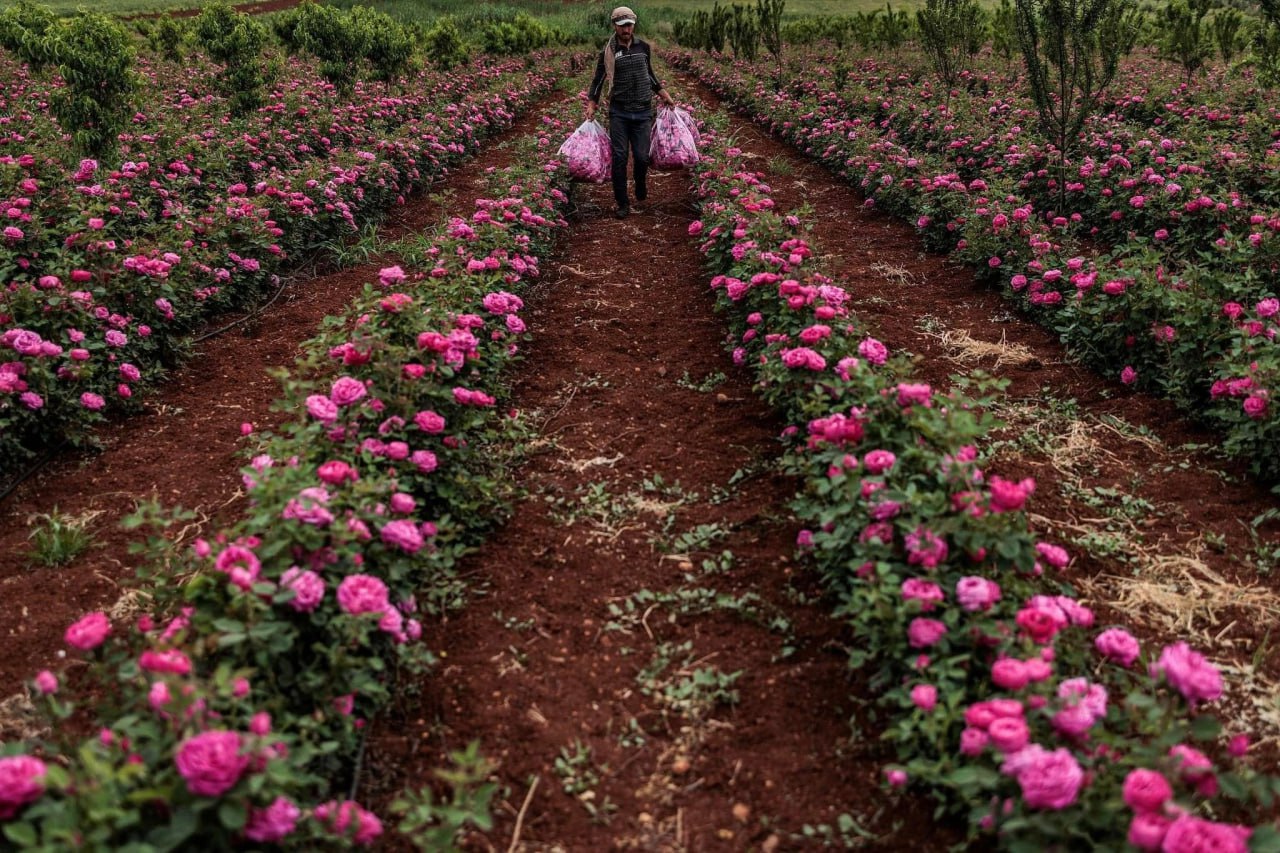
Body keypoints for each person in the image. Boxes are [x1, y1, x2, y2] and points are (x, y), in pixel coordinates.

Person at [586, 6, 676, 219]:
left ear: (634, 25)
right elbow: (598, 80)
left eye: (629, 25)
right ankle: (622, 202)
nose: (626, 29)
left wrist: (664, 94)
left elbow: (649, 75)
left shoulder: (643, 47)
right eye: (622, 26)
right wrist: (592, 104)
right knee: (620, 157)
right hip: (619, 112)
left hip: (643, 112)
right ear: (614, 26)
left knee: (642, 157)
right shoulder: (608, 52)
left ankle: (640, 182)